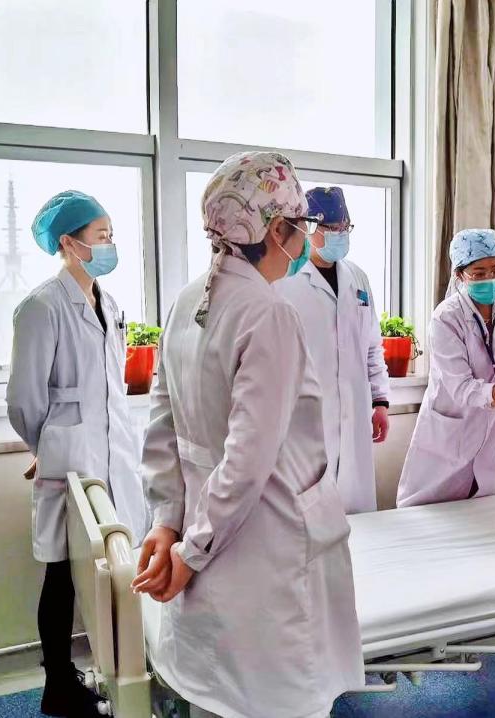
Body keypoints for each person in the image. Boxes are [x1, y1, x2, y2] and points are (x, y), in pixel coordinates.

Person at [131, 152, 363, 718]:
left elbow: (163, 425)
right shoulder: (266, 313)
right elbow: (248, 458)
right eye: (299, 226)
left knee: (218, 696)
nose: (303, 240)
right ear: (275, 229)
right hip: (264, 541)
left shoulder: (187, 301)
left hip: (208, 528)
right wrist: (191, 549)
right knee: (272, 699)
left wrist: (167, 521)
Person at [7, 190, 149, 718]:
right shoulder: (42, 307)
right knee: (64, 575)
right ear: (68, 243)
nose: (109, 244)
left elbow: (110, 390)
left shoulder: (108, 304)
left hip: (114, 456)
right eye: (100, 235)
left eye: (111, 234)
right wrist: (47, 445)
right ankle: (58, 684)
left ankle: (125, 670)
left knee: (116, 567)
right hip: (70, 460)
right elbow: (24, 400)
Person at [276, 186, 390, 514]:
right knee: (308, 511)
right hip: (306, 415)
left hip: (355, 411)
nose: (341, 234)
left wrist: (380, 402)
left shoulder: (358, 278)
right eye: (332, 227)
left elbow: (372, 346)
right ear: (309, 228)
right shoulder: (284, 281)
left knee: (357, 511)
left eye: (345, 227)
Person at [396, 228, 495, 507]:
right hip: (451, 431)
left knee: (486, 507)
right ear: (459, 275)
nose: (490, 279)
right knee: (428, 511)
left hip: (491, 429)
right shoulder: (446, 318)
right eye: (479, 274)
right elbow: (460, 387)